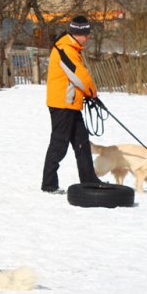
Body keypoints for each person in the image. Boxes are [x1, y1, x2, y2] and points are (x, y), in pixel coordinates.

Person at [41, 15, 102, 193]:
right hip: (62, 104)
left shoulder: (72, 48)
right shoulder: (65, 48)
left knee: (82, 141)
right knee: (59, 144)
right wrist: (92, 93)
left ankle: (89, 179)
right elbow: (78, 75)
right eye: (86, 34)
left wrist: (89, 95)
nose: (88, 37)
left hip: (71, 104)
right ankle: (49, 184)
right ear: (78, 33)